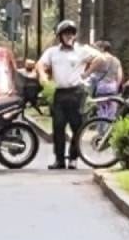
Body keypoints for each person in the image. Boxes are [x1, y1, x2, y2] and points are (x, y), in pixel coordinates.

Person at [37, 20, 98, 169]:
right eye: (66, 33)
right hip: (60, 93)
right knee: (58, 127)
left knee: (77, 127)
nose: (69, 36)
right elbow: (40, 64)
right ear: (60, 36)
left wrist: (87, 73)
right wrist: (42, 75)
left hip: (76, 92)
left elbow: (101, 58)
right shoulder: (53, 52)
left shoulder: (81, 50)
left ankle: (73, 158)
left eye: (71, 33)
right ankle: (59, 159)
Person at [87, 41, 123, 121]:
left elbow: (90, 73)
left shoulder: (99, 59)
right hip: (112, 86)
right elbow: (120, 76)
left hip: (101, 86)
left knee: (101, 110)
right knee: (111, 110)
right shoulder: (116, 60)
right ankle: (108, 128)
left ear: (102, 48)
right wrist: (116, 86)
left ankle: (101, 130)